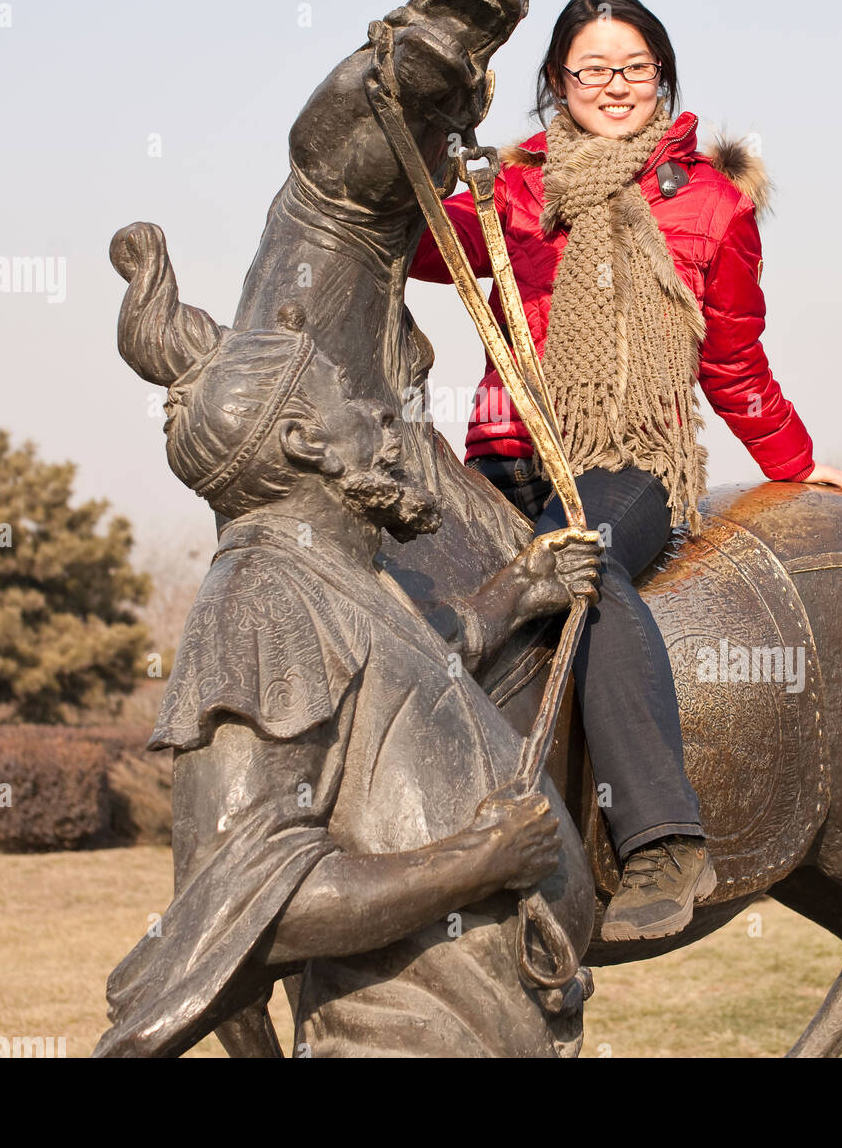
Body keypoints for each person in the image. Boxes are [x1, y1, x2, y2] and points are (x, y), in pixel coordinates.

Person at [407, 0, 842, 942]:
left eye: (633, 69)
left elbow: (733, 358)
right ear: (555, 84)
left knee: (580, 563)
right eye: (590, 70)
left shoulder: (712, 206)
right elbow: (408, 242)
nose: (612, 86)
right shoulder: (510, 193)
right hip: (500, 454)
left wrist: (796, 461)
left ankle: (661, 840)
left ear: (661, 78)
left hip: (629, 464)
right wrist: (408, 130)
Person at [94, 222, 605, 1058]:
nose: (378, 406)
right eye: (348, 390)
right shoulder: (259, 600)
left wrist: (513, 596)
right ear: (305, 441)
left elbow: (401, 685)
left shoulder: (338, 576)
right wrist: (474, 865)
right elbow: (252, 902)